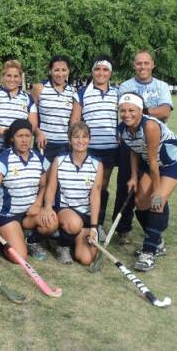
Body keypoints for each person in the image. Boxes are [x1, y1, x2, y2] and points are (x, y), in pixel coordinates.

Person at [118, 93, 177, 271]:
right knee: (141, 202)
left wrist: (157, 191)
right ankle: (158, 242)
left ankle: (149, 252)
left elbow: (153, 161)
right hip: (151, 164)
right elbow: (134, 150)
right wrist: (134, 176)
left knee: (157, 202)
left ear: (141, 110)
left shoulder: (150, 126)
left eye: (132, 110)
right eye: (123, 110)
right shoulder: (123, 129)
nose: (127, 114)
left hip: (172, 163)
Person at [114, 50, 173, 244]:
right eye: (139, 63)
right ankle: (123, 229)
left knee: (155, 189)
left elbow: (165, 111)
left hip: (155, 143)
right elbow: (126, 112)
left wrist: (141, 112)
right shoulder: (126, 86)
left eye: (146, 63)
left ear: (153, 65)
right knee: (127, 185)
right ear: (134, 65)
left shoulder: (161, 86)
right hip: (132, 141)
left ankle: (156, 231)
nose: (142, 67)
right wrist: (138, 113)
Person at [0, 119, 57, 262]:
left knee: (52, 222)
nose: (24, 140)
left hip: (29, 213)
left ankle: (31, 241)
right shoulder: (3, 160)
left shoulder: (38, 157)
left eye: (27, 136)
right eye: (20, 136)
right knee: (20, 257)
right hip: (7, 215)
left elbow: (44, 184)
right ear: (12, 138)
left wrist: (38, 203)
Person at [70, 55, 119, 240]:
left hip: (110, 149)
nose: (101, 73)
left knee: (101, 187)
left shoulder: (117, 93)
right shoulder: (82, 93)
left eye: (105, 70)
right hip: (89, 149)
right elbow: (75, 121)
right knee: (85, 186)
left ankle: (97, 224)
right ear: (92, 72)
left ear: (110, 73)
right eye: (97, 69)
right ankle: (82, 222)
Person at [42, 122, 102, 265]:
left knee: (86, 259)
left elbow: (95, 196)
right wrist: (48, 207)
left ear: (89, 139)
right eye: (76, 137)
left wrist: (94, 227)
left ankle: (73, 240)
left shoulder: (97, 164)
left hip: (85, 215)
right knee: (74, 224)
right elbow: (51, 187)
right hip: (65, 209)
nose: (80, 140)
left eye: (84, 136)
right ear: (69, 140)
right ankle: (62, 246)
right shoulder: (59, 160)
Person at [0, 60, 39, 166]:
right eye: (8, 75)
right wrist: (3, 132)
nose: (12, 79)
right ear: (3, 76)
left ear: (20, 78)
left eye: (16, 76)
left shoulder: (28, 99)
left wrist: (15, 135)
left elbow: (33, 125)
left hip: (18, 150)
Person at [30, 55, 75, 163]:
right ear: (50, 71)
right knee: (42, 174)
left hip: (65, 145)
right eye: (56, 70)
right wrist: (37, 132)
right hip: (43, 142)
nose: (60, 74)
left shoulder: (73, 92)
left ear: (68, 71)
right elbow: (30, 115)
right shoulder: (39, 88)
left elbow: (73, 121)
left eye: (64, 70)